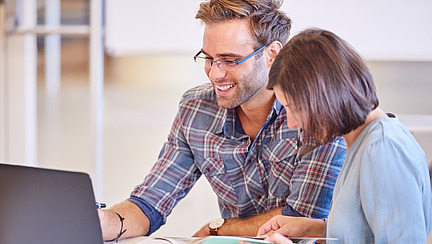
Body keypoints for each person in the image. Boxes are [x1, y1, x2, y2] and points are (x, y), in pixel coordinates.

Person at [98, 1, 346, 241]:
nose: (215, 73)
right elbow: (150, 204)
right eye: (208, 58)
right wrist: (103, 222)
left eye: (230, 60)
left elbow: (302, 219)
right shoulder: (197, 109)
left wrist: (218, 229)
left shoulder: (315, 111)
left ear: (272, 54)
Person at [257, 28, 432, 243]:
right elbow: (360, 233)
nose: (292, 123)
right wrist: (315, 228)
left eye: (295, 108)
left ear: (326, 95)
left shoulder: (383, 148)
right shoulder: (360, 143)